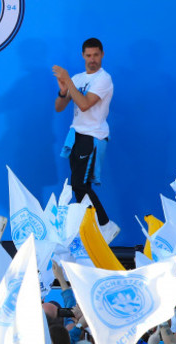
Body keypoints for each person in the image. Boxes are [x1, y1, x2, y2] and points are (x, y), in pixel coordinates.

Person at [52, 38, 119, 243]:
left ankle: (105, 226)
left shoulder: (103, 79)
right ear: (83, 56)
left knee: (80, 184)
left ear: (102, 55)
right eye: (88, 55)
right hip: (76, 136)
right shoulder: (78, 78)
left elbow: (84, 104)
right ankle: (93, 230)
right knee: (78, 186)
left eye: (96, 55)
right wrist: (63, 91)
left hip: (93, 136)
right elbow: (59, 107)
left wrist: (68, 82)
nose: (92, 60)